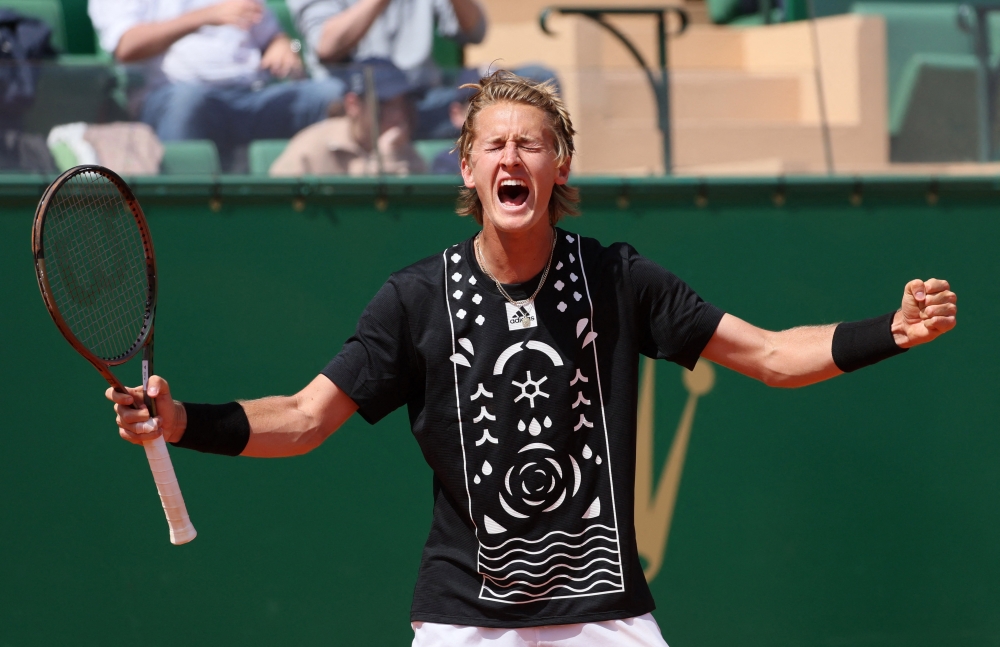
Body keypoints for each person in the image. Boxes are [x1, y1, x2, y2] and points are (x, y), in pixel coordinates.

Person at [107, 71, 958, 646]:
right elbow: (301, 419)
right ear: (468, 168)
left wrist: (890, 329)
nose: (512, 157)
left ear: (560, 166)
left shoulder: (618, 279)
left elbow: (771, 354)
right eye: (495, 145)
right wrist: (180, 421)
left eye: (532, 144)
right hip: (464, 615)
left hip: (604, 613)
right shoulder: (414, 299)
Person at [88, 0, 346, 171]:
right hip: (171, 94)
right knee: (188, 102)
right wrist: (203, 17)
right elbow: (125, 45)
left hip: (252, 93)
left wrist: (281, 44)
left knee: (331, 95)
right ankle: (183, 216)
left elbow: (269, 34)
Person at [269, 58, 425, 176]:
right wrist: (382, 162)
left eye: (404, 103)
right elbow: (277, 202)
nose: (399, 115)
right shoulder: (312, 148)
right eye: (384, 104)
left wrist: (388, 157)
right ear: (353, 104)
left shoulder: (404, 151)